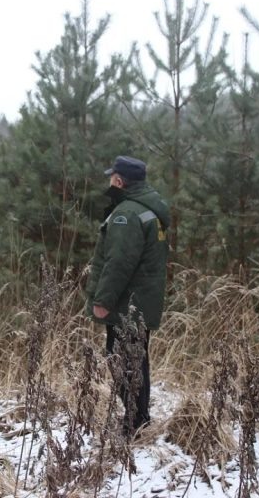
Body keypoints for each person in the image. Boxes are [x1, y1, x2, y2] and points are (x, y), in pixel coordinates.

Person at [85, 155, 170, 436]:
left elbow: (119, 263)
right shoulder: (148, 208)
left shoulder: (127, 214)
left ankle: (135, 421)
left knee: (121, 358)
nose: (110, 181)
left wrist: (103, 301)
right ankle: (138, 417)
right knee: (135, 358)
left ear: (119, 181)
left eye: (112, 177)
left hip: (127, 304)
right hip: (141, 301)